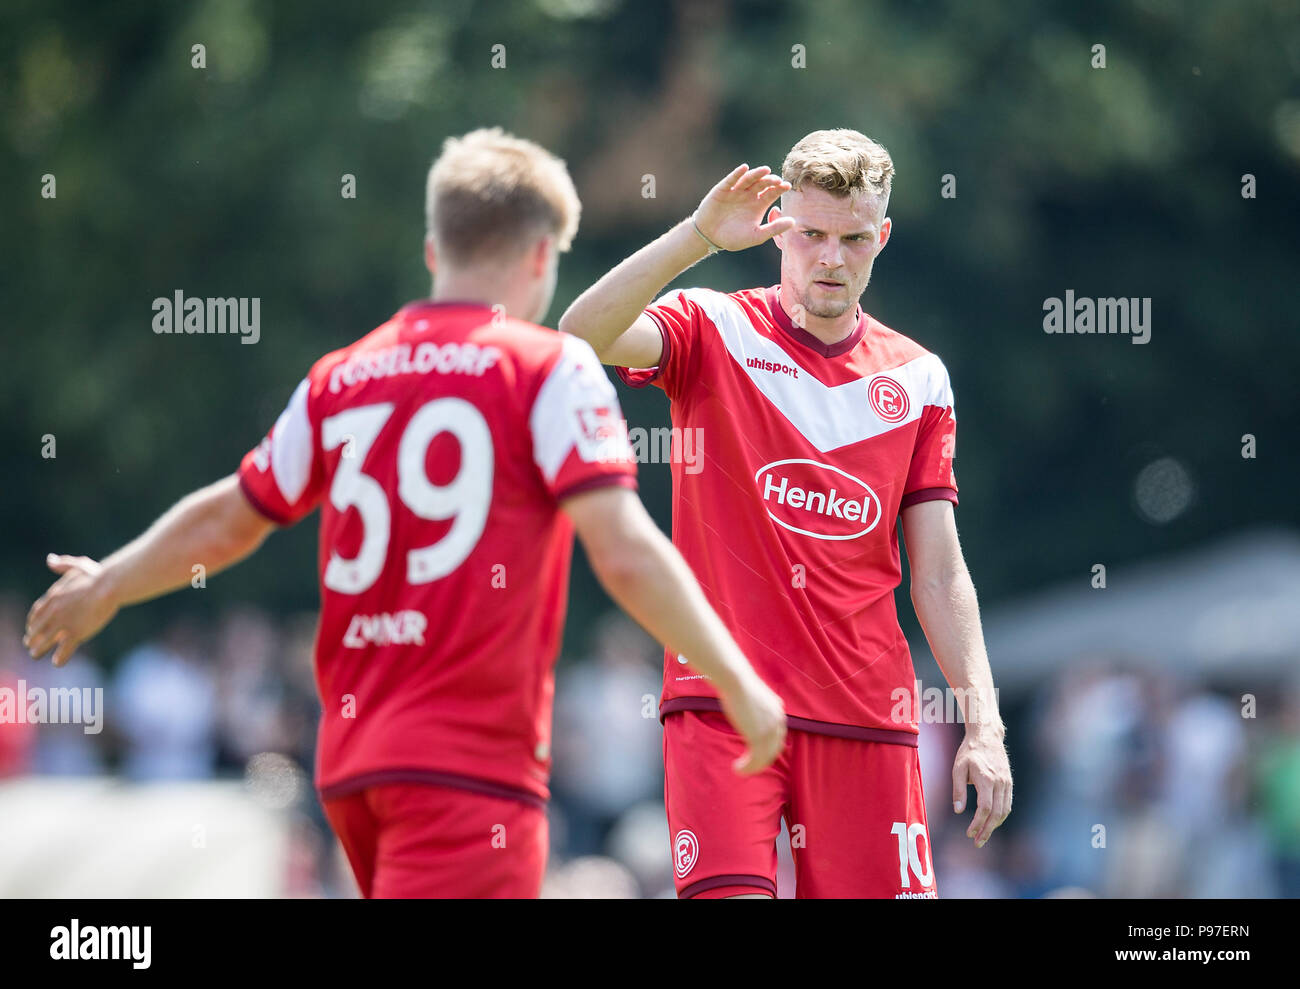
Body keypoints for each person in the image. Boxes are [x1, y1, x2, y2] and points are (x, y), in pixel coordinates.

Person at [23, 127, 785, 899]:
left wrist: (111, 580)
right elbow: (621, 550)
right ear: (540, 257)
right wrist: (735, 676)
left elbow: (232, 515)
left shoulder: (341, 376)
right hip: (467, 768)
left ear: (432, 250)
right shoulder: (547, 367)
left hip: (354, 764)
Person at [559, 128, 1011, 898]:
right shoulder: (713, 328)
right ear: (780, 228)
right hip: (724, 702)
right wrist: (697, 238)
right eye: (811, 234)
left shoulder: (922, 379)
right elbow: (580, 333)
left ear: (882, 237)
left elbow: (938, 572)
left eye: (853, 238)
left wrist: (984, 723)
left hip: (868, 714)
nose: (830, 257)